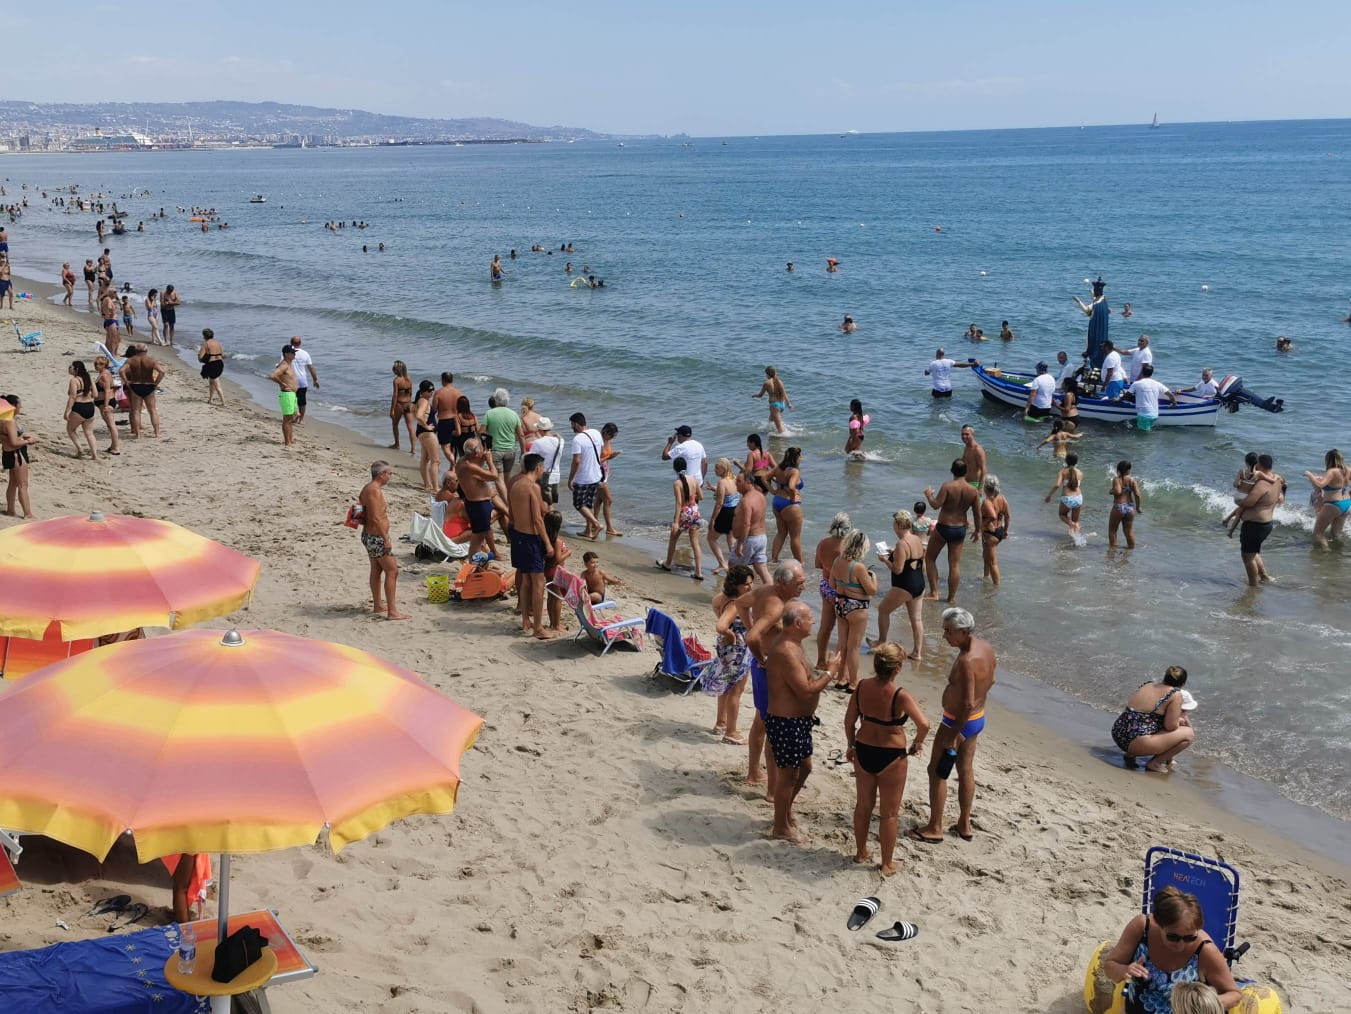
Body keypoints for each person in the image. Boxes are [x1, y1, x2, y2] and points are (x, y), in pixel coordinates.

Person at [910, 607, 995, 844]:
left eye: (948, 631)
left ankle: (935, 827)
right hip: (977, 718)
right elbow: (991, 680)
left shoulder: (967, 660)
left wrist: (953, 735)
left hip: (957, 721)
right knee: (965, 769)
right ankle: (964, 823)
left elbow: (966, 702)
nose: (944, 635)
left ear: (964, 631)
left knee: (936, 771)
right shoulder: (985, 648)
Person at [844, 642, 929, 875]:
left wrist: (850, 745)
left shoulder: (861, 687)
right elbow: (924, 724)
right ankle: (886, 863)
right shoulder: (899, 695)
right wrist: (917, 743)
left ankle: (861, 852)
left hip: (863, 749)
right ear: (898, 668)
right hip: (891, 756)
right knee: (889, 814)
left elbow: (849, 721)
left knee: (863, 806)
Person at [764, 601, 835, 843]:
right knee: (788, 776)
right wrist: (830, 672)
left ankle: (784, 812)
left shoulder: (795, 645)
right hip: (786, 722)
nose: (813, 622)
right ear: (797, 623)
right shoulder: (785, 650)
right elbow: (805, 691)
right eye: (810, 618)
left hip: (799, 721)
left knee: (805, 768)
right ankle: (780, 826)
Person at [1102, 886, 1241, 1010]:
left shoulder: (1205, 950)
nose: (1180, 945)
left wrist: (1204, 1004)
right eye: (1173, 937)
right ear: (1159, 924)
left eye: (1189, 938)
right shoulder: (1142, 927)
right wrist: (1125, 970)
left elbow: (1234, 994)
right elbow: (1109, 967)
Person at [744, 561, 808, 799]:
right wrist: (762, 657)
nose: (804, 586)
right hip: (769, 669)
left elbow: (740, 604)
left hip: (766, 667)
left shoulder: (765, 591)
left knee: (761, 721)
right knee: (773, 728)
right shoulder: (775, 606)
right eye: (799, 582)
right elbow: (752, 637)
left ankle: (753, 774)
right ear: (783, 583)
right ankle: (772, 791)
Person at [508, 453, 558, 640]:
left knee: (526, 580)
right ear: (537, 468)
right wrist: (547, 543)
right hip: (530, 538)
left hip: (518, 535)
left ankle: (525, 620)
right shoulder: (532, 487)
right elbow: (537, 519)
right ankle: (538, 627)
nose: (543, 470)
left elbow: (512, 513)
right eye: (542, 467)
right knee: (538, 583)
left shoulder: (515, 484)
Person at [704, 565, 755, 745]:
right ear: (737, 585)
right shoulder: (735, 603)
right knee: (736, 690)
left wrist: (727, 632)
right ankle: (731, 732)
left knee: (726, 687)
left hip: (726, 649)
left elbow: (716, 608)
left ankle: (721, 722)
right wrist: (731, 634)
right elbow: (720, 626)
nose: (751, 587)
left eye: (752, 583)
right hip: (737, 648)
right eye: (747, 584)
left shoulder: (721, 597)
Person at [1111, 665, 1195, 771]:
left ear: (1165, 677)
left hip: (1118, 733)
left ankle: (1130, 755)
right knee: (1189, 734)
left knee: (1148, 721)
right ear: (1182, 684)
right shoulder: (1175, 694)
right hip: (1135, 742)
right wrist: (1180, 720)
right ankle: (1155, 763)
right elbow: (1170, 727)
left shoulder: (1147, 684)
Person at [923, 459, 981, 602]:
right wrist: (977, 531)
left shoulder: (948, 486)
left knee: (929, 558)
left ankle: (934, 593)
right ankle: (951, 598)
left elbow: (936, 505)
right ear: (966, 472)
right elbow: (977, 514)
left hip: (944, 527)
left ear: (951, 471)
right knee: (954, 564)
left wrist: (928, 494)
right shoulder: (973, 491)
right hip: (960, 529)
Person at [359, 461, 410, 620]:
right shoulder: (374, 490)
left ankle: (378, 605)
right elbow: (375, 517)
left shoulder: (368, 488)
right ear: (382, 475)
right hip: (376, 537)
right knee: (392, 570)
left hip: (369, 535)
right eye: (389, 473)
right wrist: (385, 538)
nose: (390, 476)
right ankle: (392, 612)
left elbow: (360, 510)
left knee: (376, 569)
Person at [873, 510, 926, 660]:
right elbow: (913, 557)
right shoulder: (916, 538)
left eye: (894, 524)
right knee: (916, 619)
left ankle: (881, 642)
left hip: (905, 585)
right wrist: (894, 552)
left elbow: (897, 570)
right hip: (919, 583)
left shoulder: (901, 543)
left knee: (883, 610)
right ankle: (917, 653)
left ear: (898, 525)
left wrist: (885, 560)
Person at [829, 529, 877, 692]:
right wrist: (874, 578)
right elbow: (871, 590)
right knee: (854, 647)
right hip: (857, 607)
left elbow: (832, 585)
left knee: (842, 644)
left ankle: (841, 678)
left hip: (840, 604)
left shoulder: (837, 561)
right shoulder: (859, 567)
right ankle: (854, 682)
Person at [1233, 453, 1283, 585]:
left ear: (1259, 465)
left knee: (1247, 556)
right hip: (1266, 523)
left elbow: (1249, 502)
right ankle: (1264, 576)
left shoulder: (1262, 484)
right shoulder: (1277, 479)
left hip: (1255, 525)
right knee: (1253, 553)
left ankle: (1253, 585)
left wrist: (1238, 501)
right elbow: (1280, 497)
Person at [812, 512, 851, 670]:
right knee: (844, 630)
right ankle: (839, 668)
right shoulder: (848, 546)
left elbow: (817, 564)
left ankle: (821, 661)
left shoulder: (823, 543)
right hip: (843, 590)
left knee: (825, 627)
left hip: (827, 586)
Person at [657, 456, 704, 579]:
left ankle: (667, 564)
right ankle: (699, 572)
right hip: (695, 511)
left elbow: (679, 503)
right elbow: (701, 496)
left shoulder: (677, 483)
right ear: (686, 467)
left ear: (675, 469)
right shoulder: (693, 479)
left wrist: (676, 522)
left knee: (673, 539)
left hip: (684, 513)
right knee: (695, 543)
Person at [455, 438, 499, 558]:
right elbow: (494, 476)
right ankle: (473, 563)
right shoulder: (469, 466)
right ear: (477, 453)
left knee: (482, 531)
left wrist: (482, 457)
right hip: (478, 505)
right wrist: (490, 461)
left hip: (476, 503)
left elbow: (477, 475)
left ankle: (491, 553)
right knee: (478, 537)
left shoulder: (463, 461)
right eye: (480, 447)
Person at [566, 412, 605, 540]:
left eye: (572, 424)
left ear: (577, 424)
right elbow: (602, 452)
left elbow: (576, 461)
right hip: (596, 475)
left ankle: (596, 524)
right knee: (588, 503)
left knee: (578, 504)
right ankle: (588, 531)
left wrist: (571, 478)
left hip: (583, 477)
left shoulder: (577, 439)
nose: (572, 427)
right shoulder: (596, 433)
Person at [1302, 449, 1349, 550]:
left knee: (1318, 534)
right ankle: (1339, 554)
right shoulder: (1347, 470)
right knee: (1336, 534)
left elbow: (1320, 485)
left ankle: (1326, 556)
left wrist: (1309, 475)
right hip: (1346, 504)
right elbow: (1335, 483)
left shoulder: (1331, 471)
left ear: (1328, 460)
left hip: (1333, 505)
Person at [732, 471, 771, 585]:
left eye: (739, 482)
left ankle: (736, 597)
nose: (736, 485)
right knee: (762, 569)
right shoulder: (761, 496)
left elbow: (746, 524)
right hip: (762, 538)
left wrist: (740, 544)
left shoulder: (746, 500)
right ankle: (773, 596)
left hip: (750, 539)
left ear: (748, 482)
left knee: (735, 568)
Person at [769, 445, 805, 563]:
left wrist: (773, 491)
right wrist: (795, 492)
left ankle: (773, 559)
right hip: (790, 504)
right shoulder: (794, 471)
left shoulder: (779, 468)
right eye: (800, 457)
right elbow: (790, 486)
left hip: (777, 502)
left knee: (781, 533)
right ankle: (799, 562)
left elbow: (765, 478)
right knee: (795, 537)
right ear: (797, 458)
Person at [1, 394, 34, 518]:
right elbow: (14, 443)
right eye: (20, 404)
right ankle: (27, 514)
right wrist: (28, 441)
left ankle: (10, 511)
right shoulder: (10, 422)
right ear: (14, 406)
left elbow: (6, 438)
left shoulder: (2, 419)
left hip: (7, 453)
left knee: (13, 483)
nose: (21, 407)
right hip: (17, 454)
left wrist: (21, 437)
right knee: (23, 485)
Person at [121, 346, 164, 439]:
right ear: (146, 351)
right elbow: (162, 372)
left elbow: (121, 371)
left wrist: (126, 381)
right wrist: (156, 384)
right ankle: (157, 433)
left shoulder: (131, 360)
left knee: (136, 411)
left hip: (136, 385)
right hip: (148, 385)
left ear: (136, 351)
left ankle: (138, 434)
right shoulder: (151, 360)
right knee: (152, 410)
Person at [707, 458, 740, 575]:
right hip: (735, 511)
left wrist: (712, 520)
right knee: (731, 539)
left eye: (717, 468)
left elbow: (719, 504)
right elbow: (729, 492)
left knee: (711, 538)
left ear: (724, 469)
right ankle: (736, 566)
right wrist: (713, 489)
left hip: (725, 512)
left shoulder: (722, 482)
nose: (715, 470)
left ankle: (722, 564)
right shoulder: (735, 478)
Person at [484, 387, 525, 479]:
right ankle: (508, 493)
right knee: (507, 476)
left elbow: (481, 432)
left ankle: (504, 494)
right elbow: (521, 435)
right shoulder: (514, 414)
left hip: (496, 450)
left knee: (498, 477)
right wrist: (523, 451)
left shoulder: (489, 413)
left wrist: (486, 444)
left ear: (495, 400)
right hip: (510, 451)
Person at [1123, 363, 1175, 431]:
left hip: (1144, 415)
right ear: (1152, 373)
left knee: (1143, 435)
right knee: (1147, 429)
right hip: (1155, 415)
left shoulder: (1136, 384)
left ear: (1142, 373)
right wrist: (1174, 403)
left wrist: (1118, 399)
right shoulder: (1157, 384)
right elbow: (1170, 395)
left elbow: (1126, 396)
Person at [979, 475, 1011, 585]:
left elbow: (992, 516)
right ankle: (985, 577)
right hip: (999, 531)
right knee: (986, 556)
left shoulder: (987, 501)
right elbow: (1007, 517)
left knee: (993, 563)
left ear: (986, 488)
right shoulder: (1002, 498)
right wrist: (1005, 531)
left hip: (990, 533)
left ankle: (996, 586)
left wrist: (982, 526)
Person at [63, 361, 98, 460]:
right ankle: (94, 455)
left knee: (71, 429)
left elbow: (72, 396)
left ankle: (80, 449)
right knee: (89, 432)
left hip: (79, 407)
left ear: (76, 369)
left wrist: (67, 411)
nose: (69, 368)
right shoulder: (88, 378)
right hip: (90, 407)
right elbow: (95, 395)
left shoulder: (74, 380)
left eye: (71, 367)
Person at [528, 417, 564, 507]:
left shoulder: (538, 443)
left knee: (544, 502)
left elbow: (530, 458)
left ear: (540, 430)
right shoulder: (561, 441)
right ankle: (552, 518)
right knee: (551, 502)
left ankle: (546, 519)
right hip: (556, 475)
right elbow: (558, 438)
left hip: (543, 475)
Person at [1074, 276, 1110, 368]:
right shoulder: (1104, 300)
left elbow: (1087, 310)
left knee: (1092, 345)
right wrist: (1092, 294)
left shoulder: (1096, 304)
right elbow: (1094, 300)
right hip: (1102, 329)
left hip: (1094, 329)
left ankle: (1093, 365)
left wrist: (1078, 301)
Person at [1046, 452, 1085, 536]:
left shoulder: (1063, 471)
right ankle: (1076, 541)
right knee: (1076, 521)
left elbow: (1057, 485)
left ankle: (1071, 525)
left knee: (1062, 515)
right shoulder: (1080, 473)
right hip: (1079, 498)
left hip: (1067, 498)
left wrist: (1049, 496)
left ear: (1066, 461)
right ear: (1076, 462)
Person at [1110, 459, 1143, 549]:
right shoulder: (1132, 480)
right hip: (1130, 508)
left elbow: (1118, 491)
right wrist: (1138, 507)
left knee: (1112, 531)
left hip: (1119, 507)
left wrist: (1111, 491)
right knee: (1128, 531)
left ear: (1119, 469)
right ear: (1129, 470)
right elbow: (1137, 495)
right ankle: (1130, 549)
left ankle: (1113, 550)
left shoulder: (1117, 479)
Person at [596, 422, 622, 536]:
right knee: (608, 500)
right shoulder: (598, 442)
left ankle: (593, 524)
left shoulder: (607, 441)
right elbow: (595, 461)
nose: (612, 438)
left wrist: (611, 455)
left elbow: (606, 456)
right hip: (598, 473)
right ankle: (609, 528)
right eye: (611, 435)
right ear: (605, 431)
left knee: (599, 500)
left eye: (613, 436)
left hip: (604, 473)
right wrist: (609, 457)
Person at [269, 346, 298, 446]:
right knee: (287, 419)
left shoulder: (289, 364)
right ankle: (287, 442)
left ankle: (290, 439)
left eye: (294, 352)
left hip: (292, 394)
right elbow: (273, 376)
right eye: (293, 353)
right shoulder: (284, 365)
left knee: (293, 417)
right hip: (287, 394)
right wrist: (281, 383)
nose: (294, 354)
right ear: (286, 354)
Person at [433, 372, 464, 466]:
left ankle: (454, 464)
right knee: (453, 445)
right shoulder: (459, 393)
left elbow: (433, 409)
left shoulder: (439, 393)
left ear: (443, 380)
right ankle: (453, 467)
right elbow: (462, 408)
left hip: (444, 421)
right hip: (457, 421)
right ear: (452, 380)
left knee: (445, 446)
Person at [92, 356, 120, 456]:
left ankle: (116, 447)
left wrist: (106, 405)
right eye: (96, 364)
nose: (97, 366)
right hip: (102, 402)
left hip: (106, 402)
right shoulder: (102, 374)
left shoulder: (105, 375)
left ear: (105, 365)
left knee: (111, 424)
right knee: (109, 425)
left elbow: (108, 390)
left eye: (100, 364)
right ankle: (113, 446)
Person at [413, 381, 439, 491]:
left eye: (433, 390)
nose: (431, 392)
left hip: (422, 432)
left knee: (425, 459)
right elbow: (419, 416)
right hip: (427, 433)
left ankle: (427, 485)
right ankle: (436, 487)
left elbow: (419, 416)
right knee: (436, 461)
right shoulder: (424, 401)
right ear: (423, 391)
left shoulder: (420, 400)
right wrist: (427, 426)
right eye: (429, 390)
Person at [752, 366, 792, 435]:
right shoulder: (780, 381)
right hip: (782, 404)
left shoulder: (767, 383)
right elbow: (784, 393)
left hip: (774, 406)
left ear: (767, 374)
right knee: (770, 421)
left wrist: (754, 395)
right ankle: (771, 434)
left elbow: (760, 395)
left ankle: (784, 438)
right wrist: (789, 404)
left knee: (779, 427)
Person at [289, 336, 318, 423]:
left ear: (291, 343)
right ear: (300, 343)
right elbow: (311, 367)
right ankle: (301, 420)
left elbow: (283, 364)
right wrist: (315, 379)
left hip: (291, 380)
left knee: (291, 399)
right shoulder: (305, 353)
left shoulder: (287, 352)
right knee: (302, 402)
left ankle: (294, 415)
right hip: (302, 381)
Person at [388, 361, 415, 454]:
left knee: (395, 424)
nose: (392, 369)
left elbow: (395, 395)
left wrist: (392, 410)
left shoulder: (396, 380)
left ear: (397, 370)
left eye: (394, 368)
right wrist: (410, 403)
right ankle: (413, 449)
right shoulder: (409, 378)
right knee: (410, 427)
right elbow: (410, 392)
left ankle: (397, 444)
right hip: (408, 403)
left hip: (400, 404)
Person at [197, 328, 226, 407]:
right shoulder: (218, 343)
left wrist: (199, 356)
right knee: (211, 382)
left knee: (216, 384)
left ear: (204, 336)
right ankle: (210, 399)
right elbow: (223, 356)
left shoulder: (205, 344)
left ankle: (223, 402)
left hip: (212, 365)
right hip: (220, 364)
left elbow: (200, 357)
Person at [959, 425, 987, 490]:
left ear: (972, 434)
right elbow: (963, 463)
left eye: (967, 434)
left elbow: (984, 470)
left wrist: (980, 489)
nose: (964, 436)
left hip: (974, 484)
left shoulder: (978, 450)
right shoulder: (966, 447)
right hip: (965, 483)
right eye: (962, 434)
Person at [99, 286, 122, 355]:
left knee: (110, 338)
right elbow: (109, 307)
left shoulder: (106, 299)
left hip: (109, 321)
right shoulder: (108, 300)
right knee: (115, 339)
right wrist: (112, 312)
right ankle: (112, 354)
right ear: (109, 293)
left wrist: (104, 314)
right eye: (114, 292)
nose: (116, 293)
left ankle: (108, 354)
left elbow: (102, 310)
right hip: (112, 321)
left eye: (116, 292)